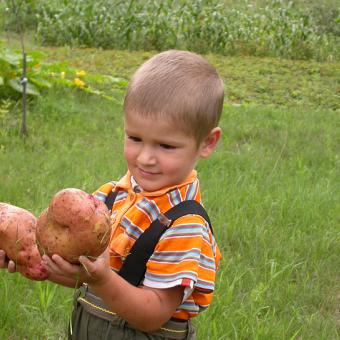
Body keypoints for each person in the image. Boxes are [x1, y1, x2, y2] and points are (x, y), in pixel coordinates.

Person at [0, 49, 224, 339]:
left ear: (207, 142)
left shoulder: (184, 225)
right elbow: (84, 275)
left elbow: (152, 313)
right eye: (135, 138)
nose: (145, 158)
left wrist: (103, 279)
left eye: (165, 146)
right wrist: (28, 259)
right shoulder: (109, 198)